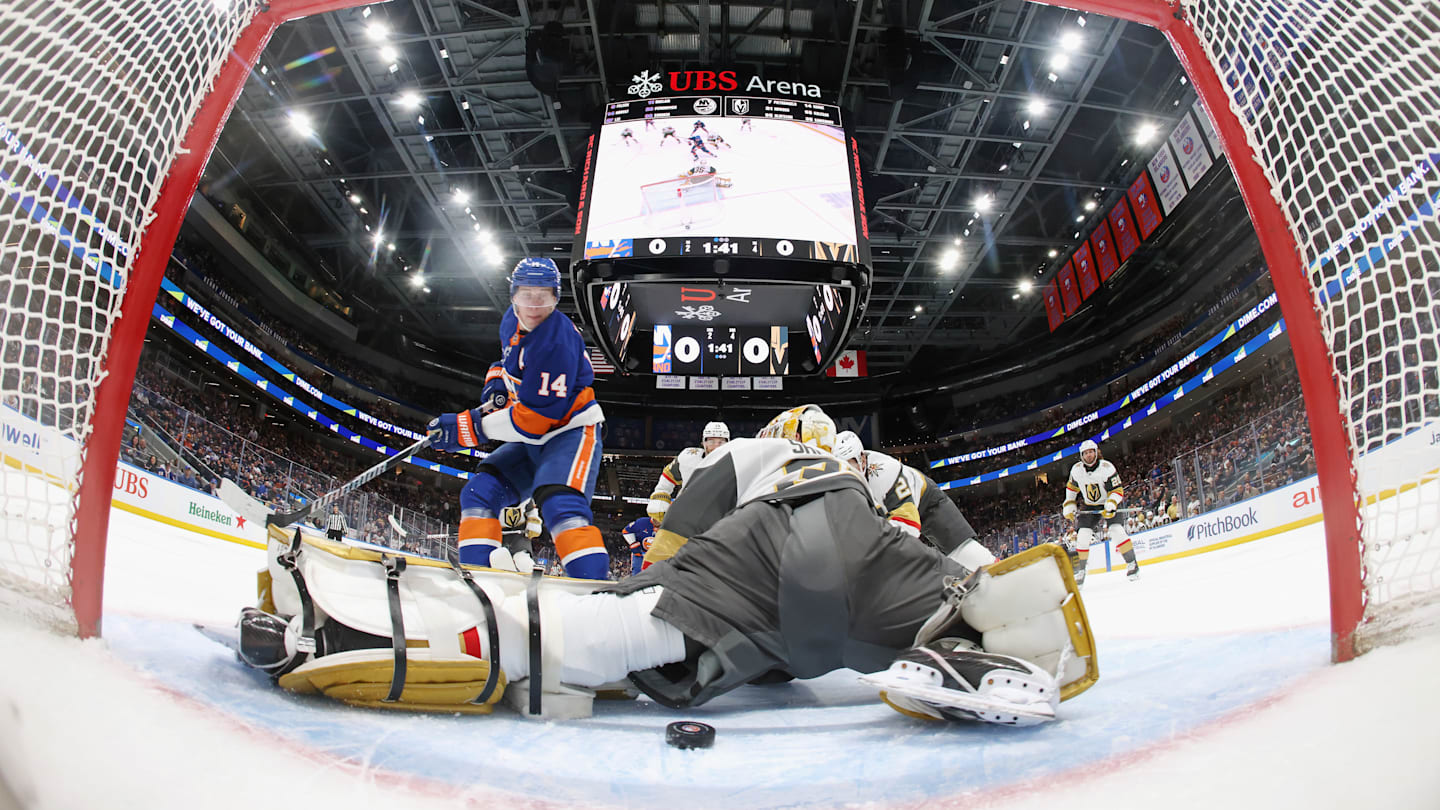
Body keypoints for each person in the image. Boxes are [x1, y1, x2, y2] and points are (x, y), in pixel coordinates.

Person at [237, 404, 1093, 726]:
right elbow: (939, 510)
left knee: (615, 633)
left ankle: (349, 620)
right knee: (962, 605)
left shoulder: (761, 447)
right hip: (866, 586)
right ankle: (970, 642)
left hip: (765, 557)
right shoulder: (871, 467)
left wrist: (658, 580)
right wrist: (977, 574)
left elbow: (690, 513)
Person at [427, 258, 609, 580]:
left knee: (559, 506)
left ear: (556, 297)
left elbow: (533, 420)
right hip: (534, 438)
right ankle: (479, 577)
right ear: (513, 296)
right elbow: (508, 362)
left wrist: (467, 428)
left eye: (544, 296)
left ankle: (594, 592)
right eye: (527, 295)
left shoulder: (556, 342)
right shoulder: (510, 321)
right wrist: (496, 379)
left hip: (569, 432)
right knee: (478, 492)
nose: (535, 306)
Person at [832, 430, 979, 555]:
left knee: (965, 552)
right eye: (840, 468)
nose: (846, 473)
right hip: (887, 517)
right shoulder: (837, 486)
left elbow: (909, 526)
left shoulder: (886, 472)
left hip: (926, 503)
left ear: (862, 460)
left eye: (849, 466)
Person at [1061, 439, 1140, 585]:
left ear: (1096, 452)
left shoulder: (1107, 467)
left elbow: (1117, 490)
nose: (1089, 455)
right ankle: (1081, 570)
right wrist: (1069, 504)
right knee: (1083, 535)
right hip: (1090, 505)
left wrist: (1111, 503)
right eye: (1086, 453)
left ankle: (1132, 563)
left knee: (1116, 531)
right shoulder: (1076, 470)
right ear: (1081, 455)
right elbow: (1071, 489)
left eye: (1091, 452)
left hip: (1107, 503)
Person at [646, 421, 729, 534]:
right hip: (684, 516)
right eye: (711, 441)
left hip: (718, 521)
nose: (716, 446)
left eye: (721, 442)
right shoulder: (689, 458)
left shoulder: (735, 462)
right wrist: (660, 496)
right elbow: (668, 476)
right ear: (703, 442)